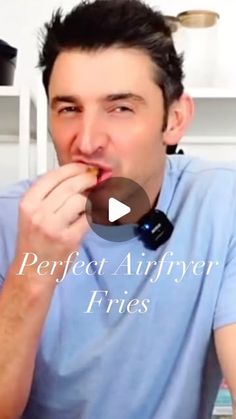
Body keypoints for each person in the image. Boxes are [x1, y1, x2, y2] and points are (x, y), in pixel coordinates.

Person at [0, 0, 236, 418]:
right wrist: (32, 274)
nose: (87, 141)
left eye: (120, 107)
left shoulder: (221, 205)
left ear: (175, 119)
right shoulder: (8, 219)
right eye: (69, 108)